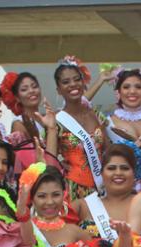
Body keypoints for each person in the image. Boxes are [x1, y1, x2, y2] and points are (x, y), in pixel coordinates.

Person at [45, 57, 109, 202]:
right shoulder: (56, 121)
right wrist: (61, 164)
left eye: (77, 79)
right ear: (58, 90)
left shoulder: (96, 115)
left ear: (83, 82)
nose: (73, 84)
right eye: (66, 82)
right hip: (73, 190)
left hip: (102, 187)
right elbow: (50, 162)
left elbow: (108, 150)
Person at [77, 145, 138, 241]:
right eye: (111, 168)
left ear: (134, 173)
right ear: (101, 173)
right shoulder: (83, 206)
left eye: (125, 168)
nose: (118, 173)